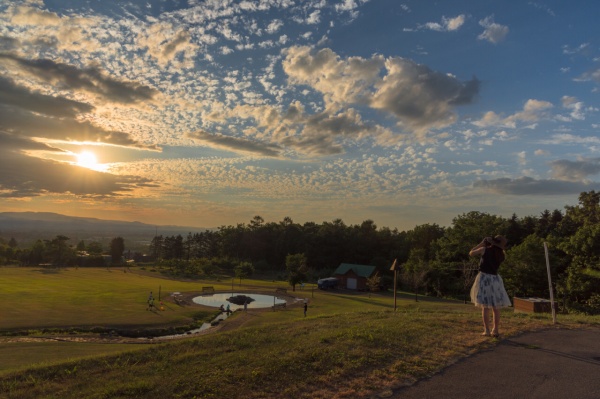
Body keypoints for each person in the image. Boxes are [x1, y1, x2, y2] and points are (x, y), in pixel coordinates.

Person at [469, 235, 511, 337]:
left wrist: (482, 243)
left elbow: (471, 253)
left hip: (484, 278)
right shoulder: (502, 255)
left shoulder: (484, 249)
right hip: (495, 279)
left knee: (485, 307)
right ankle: (495, 330)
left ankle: (486, 330)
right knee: (496, 307)